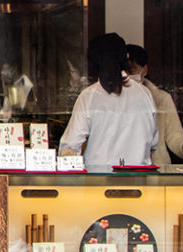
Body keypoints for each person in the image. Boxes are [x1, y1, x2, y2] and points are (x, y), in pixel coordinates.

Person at [58, 32, 158, 167]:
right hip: (138, 182)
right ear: (125, 58)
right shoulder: (145, 94)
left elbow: (69, 147)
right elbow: (153, 143)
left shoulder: (89, 97)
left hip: (99, 183)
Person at [126, 44, 183, 165]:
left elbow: (174, 135)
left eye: (131, 70)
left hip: (157, 166)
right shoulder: (114, 98)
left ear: (144, 69)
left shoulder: (161, 98)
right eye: (123, 71)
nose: (127, 75)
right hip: (125, 166)